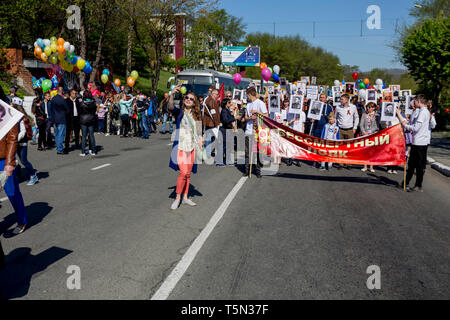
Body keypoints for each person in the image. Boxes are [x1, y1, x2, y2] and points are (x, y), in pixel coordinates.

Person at [168, 85, 203, 210]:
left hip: (191, 147)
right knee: (183, 173)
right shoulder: (180, 112)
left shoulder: (197, 116)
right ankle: (177, 198)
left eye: (191, 99)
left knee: (188, 174)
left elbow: (199, 133)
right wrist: (172, 94)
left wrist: (201, 140)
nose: (188, 100)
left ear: (194, 103)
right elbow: (170, 107)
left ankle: (185, 197)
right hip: (181, 147)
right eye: (186, 97)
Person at [396, 94, 430, 192]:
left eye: (415, 101)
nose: (413, 103)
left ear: (419, 101)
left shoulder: (423, 112)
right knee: (412, 165)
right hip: (417, 142)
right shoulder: (422, 111)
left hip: (420, 143)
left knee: (417, 166)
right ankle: (406, 183)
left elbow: (415, 128)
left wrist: (404, 124)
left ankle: (418, 185)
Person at [0, 113, 27, 234]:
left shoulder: (6, 112)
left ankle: (22, 220)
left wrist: (9, 161)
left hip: (3, 159)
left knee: (12, 192)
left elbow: (12, 138)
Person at [242, 87, 268, 178]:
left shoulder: (261, 103)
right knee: (247, 152)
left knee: (257, 152)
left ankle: (258, 171)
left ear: (250, 94)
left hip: (258, 131)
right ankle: (246, 169)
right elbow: (245, 117)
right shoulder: (248, 104)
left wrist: (257, 112)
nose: (247, 97)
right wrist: (250, 118)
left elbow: (266, 115)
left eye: (247, 95)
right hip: (248, 131)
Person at [11, 97, 38, 185]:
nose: (10, 105)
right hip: (15, 142)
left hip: (21, 143)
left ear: (15, 105)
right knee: (13, 160)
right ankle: (17, 176)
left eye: (12, 103)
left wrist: (15, 139)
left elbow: (23, 132)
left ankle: (33, 176)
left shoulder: (22, 118)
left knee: (24, 160)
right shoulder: (14, 116)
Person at [335, 94, 359, 169]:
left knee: (349, 147)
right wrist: (335, 127)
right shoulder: (338, 107)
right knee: (341, 147)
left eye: (342, 99)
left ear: (346, 100)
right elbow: (335, 117)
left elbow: (356, 117)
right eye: (340, 99)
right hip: (340, 129)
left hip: (350, 130)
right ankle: (340, 163)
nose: (340, 100)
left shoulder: (353, 107)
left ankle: (348, 163)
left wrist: (355, 127)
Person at [359, 102, 380, 173]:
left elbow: (376, 126)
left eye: (370, 107)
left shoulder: (376, 115)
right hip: (364, 134)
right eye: (367, 107)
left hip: (372, 134)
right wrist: (363, 132)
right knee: (365, 150)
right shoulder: (364, 114)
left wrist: (370, 131)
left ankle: (371, 166)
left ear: (373, 108)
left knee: (372, 151)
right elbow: (361, 124)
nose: (368, 108)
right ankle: (365, 166)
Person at [219, 98, 240, 166]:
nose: (230, 104)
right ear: (225, 104)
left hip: (228, 129)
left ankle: (228, 160)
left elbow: (228, 119)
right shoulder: (224, 111)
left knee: (228, 146)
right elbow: (225, 120)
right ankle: (220, 161)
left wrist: (232, 115)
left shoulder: (227, 110)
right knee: (223, 146)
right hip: (224, 130)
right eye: (229, 102)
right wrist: (234, 118)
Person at [50, 87, 70, 155]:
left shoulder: (53, 99)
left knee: (57, 134)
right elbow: (67, 110)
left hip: (55, 118)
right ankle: (60, 149)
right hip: (61, 118)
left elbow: (51, 109)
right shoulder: (62, 100)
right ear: (62, 92)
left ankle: (59, 148)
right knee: (61, 134)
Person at [78, 90, 97, 156]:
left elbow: (79, 111)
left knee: (84, 136)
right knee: (91, 135)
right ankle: (93, 151)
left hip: (83, 120)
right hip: (91, 119)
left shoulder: (81, 103)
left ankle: (83, 151)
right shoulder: (93, 102)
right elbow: (94, 111)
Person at [202, 88, 220, 157]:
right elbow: (213, 113)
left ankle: (207, 152)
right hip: (211, 123)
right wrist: (216, 123)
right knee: (213, 138)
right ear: (213, 94)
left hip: (208, 122)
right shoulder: (211, 101)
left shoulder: (207, 99)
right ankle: (208, 153)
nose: (217, 96)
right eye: (216, 94)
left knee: (208, 138)